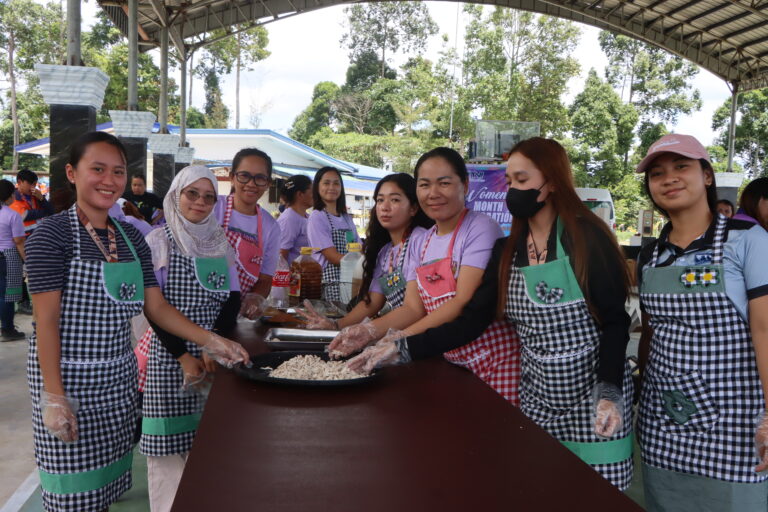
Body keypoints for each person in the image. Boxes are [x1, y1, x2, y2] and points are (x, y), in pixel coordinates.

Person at [349, 139, 634, 489]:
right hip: (538, 402)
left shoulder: (587, 238)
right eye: (510, 182)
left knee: (594, 495)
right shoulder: (508, 250)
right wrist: (401, 348)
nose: (513, 191)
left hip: (593, 404)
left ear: (553, 182)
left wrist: (609, 390)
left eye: (522, 180)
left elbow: (615, 322)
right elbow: (471, 321)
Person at [25, 131, 250, 512]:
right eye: (97, 169)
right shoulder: (51, 235)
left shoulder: (130, 237)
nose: (109, 180)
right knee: (71, 497)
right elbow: (46, 321)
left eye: (117, 171)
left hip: (118, 380)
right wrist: (54, 397)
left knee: (104, 488)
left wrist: (213, 341)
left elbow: (157, 307)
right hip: (69, 382)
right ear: (72, 173)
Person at [635, 134, 768, 510]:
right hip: (664, 422)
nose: (669, 178)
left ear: (707, 176)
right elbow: (650, 334)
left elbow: (765, 330)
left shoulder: (747, 241)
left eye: (682, 167)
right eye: (657, 173)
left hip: (735, 426)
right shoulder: (651, 255)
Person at [329, 147, 520, 405]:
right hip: (450, 358)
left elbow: (461, 301)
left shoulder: (480, 227)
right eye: (425, 184)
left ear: (464, 184)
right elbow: (413, 308)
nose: (433, 194)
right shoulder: (424, 241)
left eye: (444, 183)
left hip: (493, 364)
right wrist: (368, 331)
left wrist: (397, 340)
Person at [138, 166, 234, 512]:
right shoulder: (159, 241)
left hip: (213, 358)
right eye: (192, 193)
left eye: (209, 197)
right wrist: (183, 356)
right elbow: (154, 308)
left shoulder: (220, 244)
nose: (200, 202)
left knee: (204, 447)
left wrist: (215, 346)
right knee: (165, 451)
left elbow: (232, 298)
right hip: (170, 359)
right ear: (175, 195)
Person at [301, 173, 433, 329]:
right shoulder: (386, 252)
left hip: (422, 335)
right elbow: (372, 301)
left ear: (413, 208)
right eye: (380, 200)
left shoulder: (420, 240)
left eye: (395, 200)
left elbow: (414, 309)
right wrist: (336, 325)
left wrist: (367, 331)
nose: (385, 207)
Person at [214, 148, 280, 329]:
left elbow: (265, 278)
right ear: (232, 176)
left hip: (233, 317)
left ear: (267, 184)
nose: (251, 184)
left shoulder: (270, 226)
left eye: (260, 178)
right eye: (244, 176)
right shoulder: (213, 207)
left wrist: (255, 300)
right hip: (197, 309)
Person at [307, 167, 361, 303]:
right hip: (330, 283)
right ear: (317, 187)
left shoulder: (347, 218)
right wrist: (361, 264)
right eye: (326, 183)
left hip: (351, 280)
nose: (332, 187)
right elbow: (333, 257)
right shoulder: (317, 217)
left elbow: (360, 249)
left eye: (336, 183)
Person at [0, 179, 26, 341]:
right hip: (9, 257)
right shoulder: (12, 215)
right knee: (7, 296)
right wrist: (27, 262)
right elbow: (19, 242)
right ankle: (7, 329)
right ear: (9, 195)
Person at [276, 174, 312, 265]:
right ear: (300, 194)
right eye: (312, 191)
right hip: (292, 276)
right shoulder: (289, 219)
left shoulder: (306, 217)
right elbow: (281, 255)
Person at [10, 168, 54, 236]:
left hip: (36, 236)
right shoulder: (12, 197)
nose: (33, 187)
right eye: (30, 184)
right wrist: (45, 212)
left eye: (35, 184)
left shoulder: (36, 196)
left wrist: (42, 199)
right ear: (19, 182)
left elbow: (51, 212)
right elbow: (25, 215)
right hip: (20, 240)